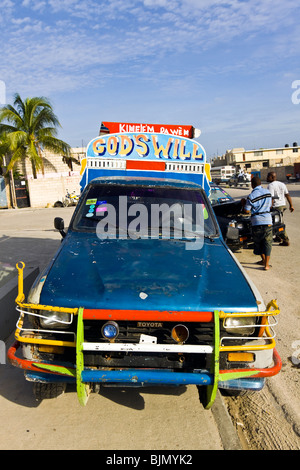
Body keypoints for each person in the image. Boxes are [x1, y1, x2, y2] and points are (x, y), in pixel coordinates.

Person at [241, 176, 273, 270]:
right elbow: (270, 206)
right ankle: (266, 264)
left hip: (256, 222)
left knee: (258, 242)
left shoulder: (251, 196)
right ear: (260, 183)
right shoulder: (268, 193)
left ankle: (263, 261)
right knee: (267, 243)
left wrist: (243, 204)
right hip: (268, 220)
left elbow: (247, 211)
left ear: (252, 184)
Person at [267, 171, 294, 246]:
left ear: (272, 177)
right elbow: (287, 195)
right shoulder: (282, 184)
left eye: (268, 176)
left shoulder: (271, 185)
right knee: (276, 221)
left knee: (278, 223)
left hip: (276, 206)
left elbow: (272, 198)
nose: (267, 178)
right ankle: (278, 237)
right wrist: (291, 205)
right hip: (282, 205)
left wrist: (269, 207)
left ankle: (286, 240)